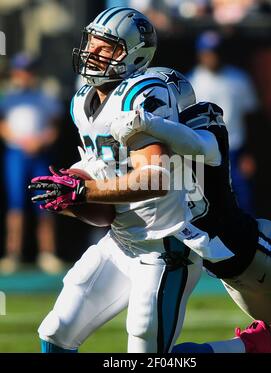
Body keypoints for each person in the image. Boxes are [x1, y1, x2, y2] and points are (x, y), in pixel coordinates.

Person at [28, 7, 203, 353]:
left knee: (146, 351)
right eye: (92, 42)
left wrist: (86, 190)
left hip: (164, 245)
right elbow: (100, 168)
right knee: (56, 331)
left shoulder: (143, 94)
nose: (92, 51)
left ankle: (244, 348)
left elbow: (155, 179)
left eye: (105, 47)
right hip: (121, 240)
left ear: (133, 55)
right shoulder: (83, 101)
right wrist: (70, 191)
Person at [109, 67, 271, 351]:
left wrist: (145, 121)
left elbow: (198, 145)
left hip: (259, 249)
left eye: (152, 102)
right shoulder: (150, 147)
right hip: (231, 275)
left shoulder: (199, 124)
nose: (144, 109)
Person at [0, 52, 64, 274]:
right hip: (16, 154)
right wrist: (20, 141)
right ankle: (13, 253)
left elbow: (54, 127)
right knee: (16, 204)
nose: (25, 75)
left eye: (29, 71)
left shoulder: (45, 97)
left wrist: (39, 141)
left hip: (40, 155)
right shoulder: (9, 97)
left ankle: (47, 253)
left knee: (45, 203)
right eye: (21, 71)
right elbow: (3, 126)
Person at [188, 31, 258, 215]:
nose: (212, 56)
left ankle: (248, 244)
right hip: (203, 153)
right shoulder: (191, 82)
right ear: (200, 53)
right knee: (208, 208)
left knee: (244, 204)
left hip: (235, 150)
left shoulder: (239, 79)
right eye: (208, 52)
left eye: (216, 51)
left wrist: (248, 153)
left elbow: (251, 117)